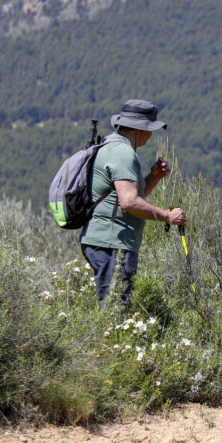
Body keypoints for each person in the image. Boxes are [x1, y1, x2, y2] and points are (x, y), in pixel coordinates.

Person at [80, 99, 186, 308]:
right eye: (151, 129)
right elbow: (129, 202)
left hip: (105, 240)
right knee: (115, 308)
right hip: (113, 242)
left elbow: (127, 197)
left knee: (114, 304)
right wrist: (168, 216)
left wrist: (153, 178)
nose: (151, 134)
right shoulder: (123, 153)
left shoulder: (111, 146)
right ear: (140, 129)